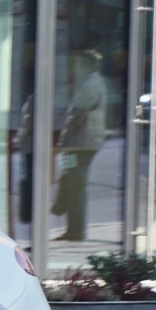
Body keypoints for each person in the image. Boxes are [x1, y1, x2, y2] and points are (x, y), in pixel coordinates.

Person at [51, 49, 107, 241]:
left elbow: (76, 116)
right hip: (82, 144)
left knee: (74, 185)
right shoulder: (94, 82)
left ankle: (75, 230)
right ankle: (69, 222)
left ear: (88, 65)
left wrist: (62, 140)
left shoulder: (90, 85)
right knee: (69, 180)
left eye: (80, 64)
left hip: (79, 144)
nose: (77, 68)